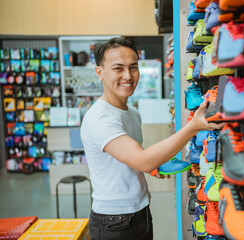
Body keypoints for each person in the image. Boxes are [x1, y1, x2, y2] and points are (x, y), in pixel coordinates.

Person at [80, 37, 224, 240]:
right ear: (99, 72)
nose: (128, 75)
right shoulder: (100, 118)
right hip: (113, 221)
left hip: (140, 210)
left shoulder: (131, 112)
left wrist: (155, 165)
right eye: (118, 68)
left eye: (133, 67)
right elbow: (142, 160)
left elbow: (131, 158)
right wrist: (194, 127)